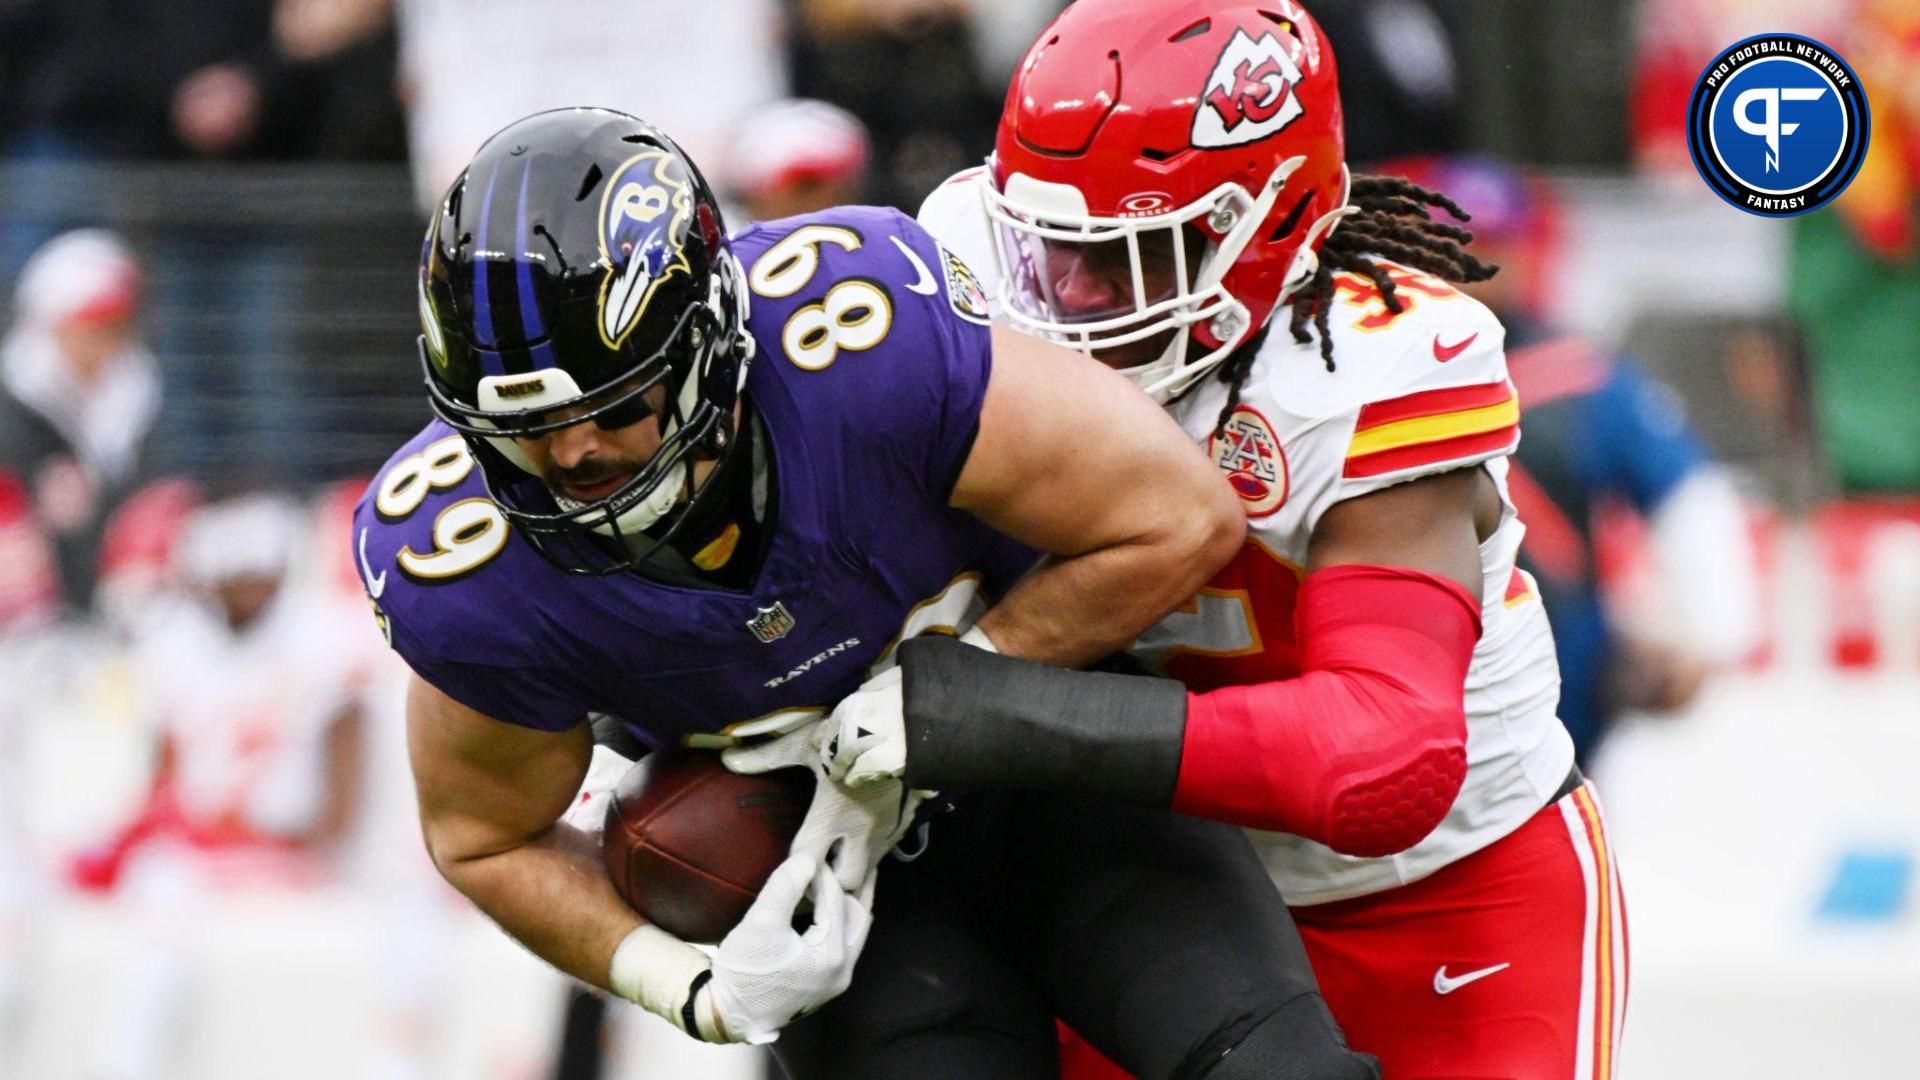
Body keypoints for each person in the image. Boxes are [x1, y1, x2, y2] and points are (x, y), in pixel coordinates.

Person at [359, 107, 1376, 1079]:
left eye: (614, 407)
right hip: (838, 896)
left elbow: (1179, 515)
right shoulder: (465, 560)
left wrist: (960, 693)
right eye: (521, 431)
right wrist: (692, 988)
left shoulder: (859, 345)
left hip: (1060, 785)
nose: (571, 453)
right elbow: (484, 834)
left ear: (708, 337)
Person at [884, 2, 1627, 1076]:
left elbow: (1386, 759)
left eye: (1125, 256)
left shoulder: (1370, 365)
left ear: (1267, 229)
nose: (1067, 295)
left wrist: (995, 707)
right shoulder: (963, 264)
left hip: (1450, 892)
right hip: (1161, 893)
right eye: (1046, 245)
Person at [1383, 153, 1764, 762]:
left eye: (1484, 241)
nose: (1464, 263)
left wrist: (1706, 639)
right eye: (1445, 241)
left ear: (1526, 253)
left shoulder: (1580, 377)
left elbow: (1689, 497)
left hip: (1561, 696)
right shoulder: (1368, 370)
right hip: (1403, 680)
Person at [0, 229, 161, 628]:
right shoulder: (15, 398)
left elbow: (153, 493)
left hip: (117, 594)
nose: (102, 342)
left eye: (115, 326)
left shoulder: (138, 391)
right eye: (90, 326)